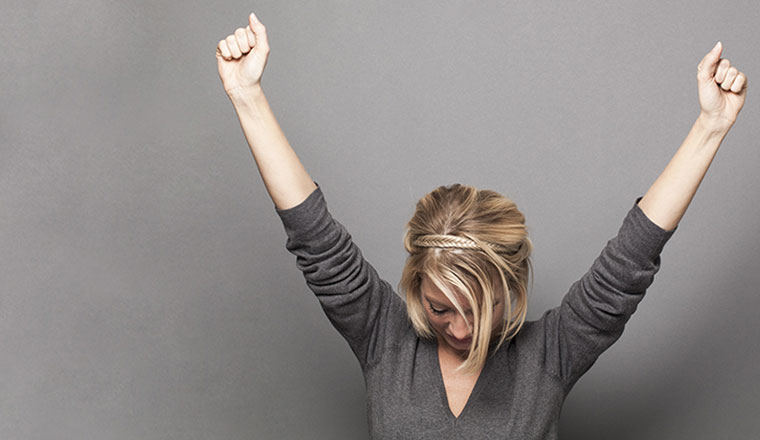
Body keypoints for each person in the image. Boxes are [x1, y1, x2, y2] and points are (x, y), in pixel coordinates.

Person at [215, 12, 747, 439]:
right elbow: (316, 240)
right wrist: (248, 97)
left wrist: (711, 126)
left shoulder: (548, 358)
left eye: (480, 307)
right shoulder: (385, 339)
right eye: (441, 307)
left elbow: (630, 262)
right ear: (415, 286)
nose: (462, 330)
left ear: (511, 289)